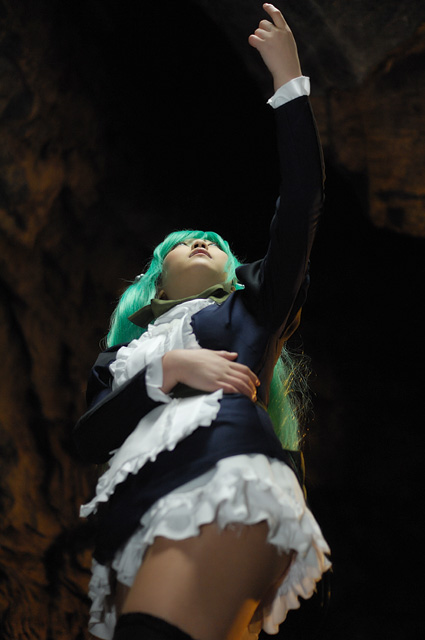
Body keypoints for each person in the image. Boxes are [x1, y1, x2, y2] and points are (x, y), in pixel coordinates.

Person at [74, 4, 331, 639]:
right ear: (155, 282)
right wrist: (166, 368)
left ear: (234, 274)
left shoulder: (252, 307)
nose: (201, 242)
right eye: (183, 243)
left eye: (216, 244)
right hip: (135, 511)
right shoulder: (117, 361)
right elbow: (86, 441)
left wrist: (288, 81)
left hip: (223, 475)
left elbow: (301, 201)